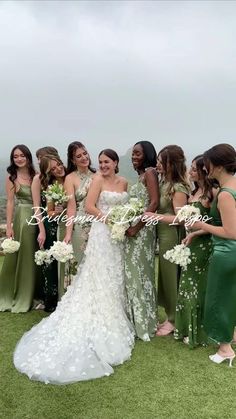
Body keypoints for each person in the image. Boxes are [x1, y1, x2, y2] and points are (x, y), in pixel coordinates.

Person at [14, 149, 134, 384]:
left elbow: (125, 208)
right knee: (96, 273)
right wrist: (108, 221)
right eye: (100, 162)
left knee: (114, 274)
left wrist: (123, 222)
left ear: (116, 162)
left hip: (116, 236)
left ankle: (114, 310)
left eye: (106, 161)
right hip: (101, 231)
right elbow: (88, 206)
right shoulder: (95, 179)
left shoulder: (125, 182)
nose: (102, 165)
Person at [191, 144, 236, 365]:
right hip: (232, 253)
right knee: (231, 296)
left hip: (226, 252)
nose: (205, 168)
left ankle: (225, 349)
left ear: (217, 166)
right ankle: (231, 337)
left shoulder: (226, 194)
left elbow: (230, 232)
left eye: (207, 164)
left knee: (219, 299)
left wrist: (202, 225)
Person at [145, 145, 190, 336]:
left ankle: (173, 320)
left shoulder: (178, 187)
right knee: (164, 276)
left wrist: (156, 217)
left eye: (161, 161)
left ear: (171, 163)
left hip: (171, 236)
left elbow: (181, 218)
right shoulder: (164, 182)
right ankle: (170, 315)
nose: (158, 164)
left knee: (172, 278)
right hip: (161, 235)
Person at [174, 155, 213, 347]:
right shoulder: (193, 192)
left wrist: (195, 233)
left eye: (194, 169)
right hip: (189, 242)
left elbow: (215, 223)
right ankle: (185, 327)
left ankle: (200, 330)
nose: (190, 172)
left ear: (204, 171)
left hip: (203, 245)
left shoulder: (212, 193)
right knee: (186, 285)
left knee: (198, 287)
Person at [125, 141, 159, 341]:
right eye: (133, 154)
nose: (134, 156)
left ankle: (144, 322)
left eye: (138, 153)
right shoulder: (140, 176)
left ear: (147, 154)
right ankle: (136, 319)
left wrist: (136, 228)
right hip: (132, 229)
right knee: (133, 273)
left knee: (139, 272)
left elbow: (153, 202)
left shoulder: (150, 173)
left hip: (142, 230)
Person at [0, 145, 37, 312]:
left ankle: (38, 294)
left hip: (40, 217)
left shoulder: (37, 175)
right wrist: (9, 226)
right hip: (22, 218)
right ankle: (21, 295)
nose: (19, 159)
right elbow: (10, 202)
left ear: (28, 157)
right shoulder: (11, 177)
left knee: (38, 255)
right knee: (25, 256)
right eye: (16, 156)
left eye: (22, 155)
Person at [35, 154, 66, 312]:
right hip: (52, 226)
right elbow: (49, 212)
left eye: (59, 165)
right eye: (53, 169)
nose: (58, 169)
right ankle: (52, 300)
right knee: (52, 262)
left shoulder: (71, 178)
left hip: (72, 225)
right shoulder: (51, 186)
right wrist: (58, 211)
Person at [63, 141, 95, 266]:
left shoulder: (97, 176)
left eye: (85, 153)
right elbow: (71, 208)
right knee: (80, 262)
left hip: (97, 225)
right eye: (78, 156)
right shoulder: (70, 178)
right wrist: (68, 233)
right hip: (79, 224)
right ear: (72, 160)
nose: (84, 157)